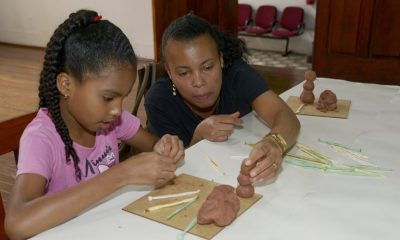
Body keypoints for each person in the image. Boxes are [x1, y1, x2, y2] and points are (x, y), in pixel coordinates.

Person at [4, 10, 184, 239]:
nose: (118, 109)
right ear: (66, 85)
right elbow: (16, 223)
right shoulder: (41, 138)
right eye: (109, 98)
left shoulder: (109, 119)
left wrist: (165, 146)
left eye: (123, 96)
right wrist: (120, 175)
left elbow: (152, 145)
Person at [145, 14, 300, 183]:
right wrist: (198, 137)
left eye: (208, 67)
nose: (198, 82)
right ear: (169, 72)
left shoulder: (237, 75)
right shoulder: (159, 101)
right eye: (183, 73)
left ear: (221, 59)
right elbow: (168, 172)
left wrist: (274, 144)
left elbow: (285, 115)